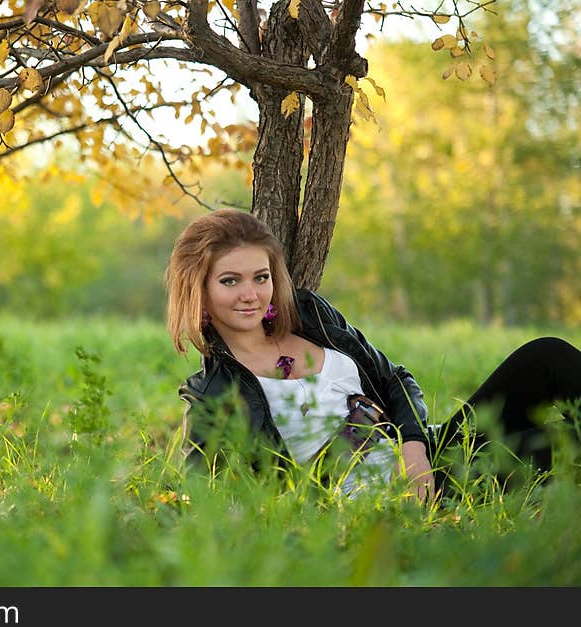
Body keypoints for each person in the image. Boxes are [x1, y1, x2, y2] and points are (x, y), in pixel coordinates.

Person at [165, 208, 581, 501]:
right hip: (390, 494)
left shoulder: (311, 315)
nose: (250, 294)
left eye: (261, 277)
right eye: (230, 280)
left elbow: (395, 380)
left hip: (425, 452)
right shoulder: (211, 395)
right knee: (563, 444)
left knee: (546, 355)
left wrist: (415, 448)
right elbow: (204, 496)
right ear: (199, 290)